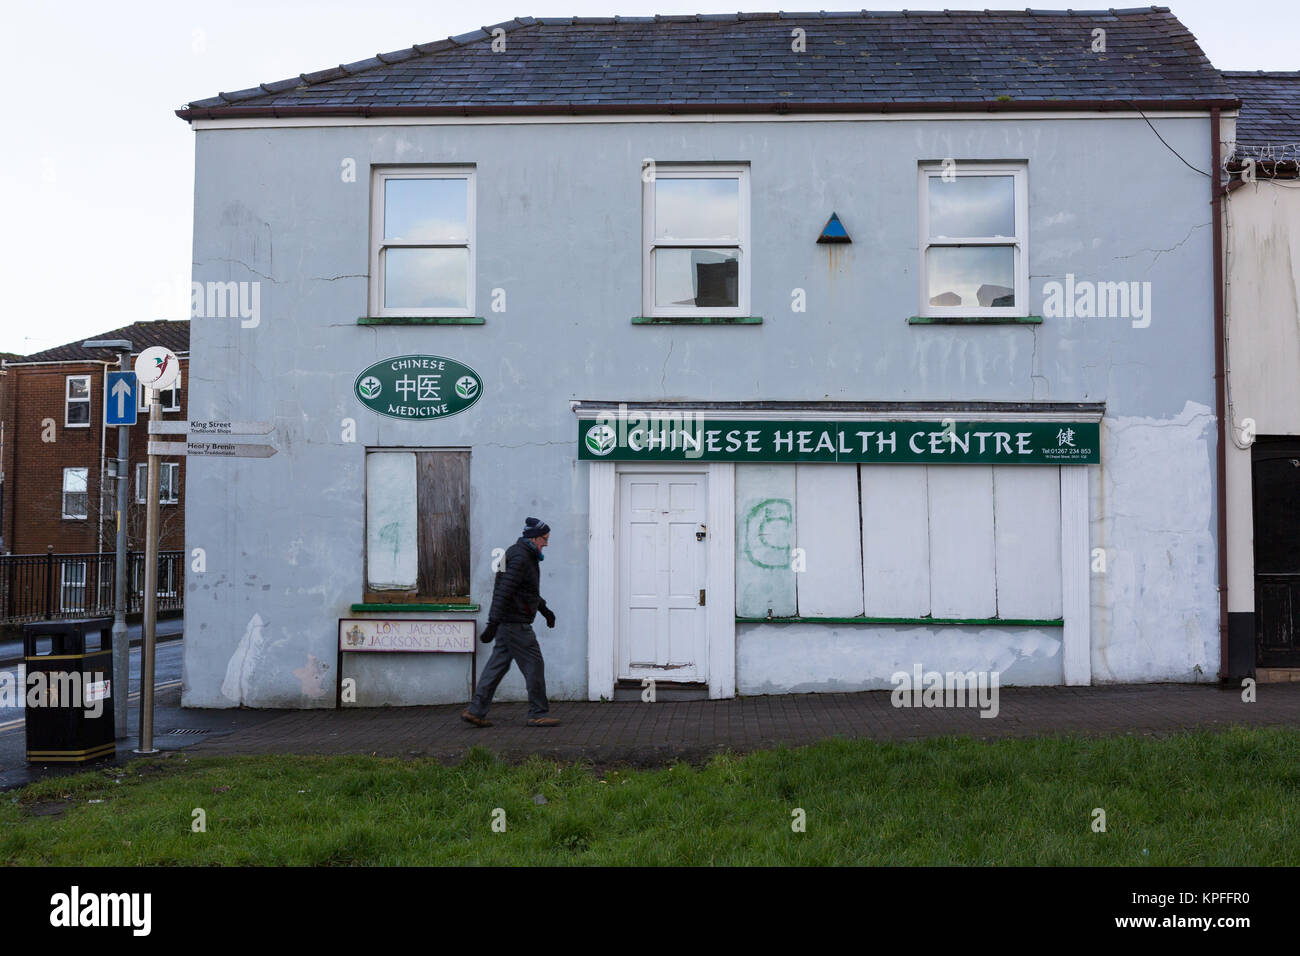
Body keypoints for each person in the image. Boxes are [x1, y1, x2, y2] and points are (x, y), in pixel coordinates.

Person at [461, 517, 560, 727]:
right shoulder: (521, 557)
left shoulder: (521, 554)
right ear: (533, 537)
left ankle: (475, 711)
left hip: (508, 623)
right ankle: (538, 713)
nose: (547, 543)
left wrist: (545, 610)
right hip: (515, 623)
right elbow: (503, 591)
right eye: (545, 538)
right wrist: (492, 623)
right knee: (534, 664)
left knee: (496, 667)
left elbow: (526, 592)